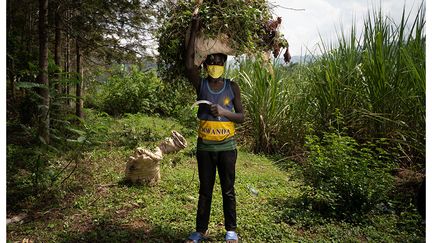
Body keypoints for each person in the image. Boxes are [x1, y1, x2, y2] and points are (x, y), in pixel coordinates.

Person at [184, 14, 245, 243]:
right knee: (205, 190)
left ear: (224, 64)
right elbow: (189, 64)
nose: (216, 66)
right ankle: (200, 230)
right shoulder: (200, 84)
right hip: (205, 148)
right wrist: (193, 30)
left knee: (228, 190)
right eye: (212, 62)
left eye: (220, 62)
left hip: (227, 148)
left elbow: (241, 117)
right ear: (207, 64)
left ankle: (231, 230)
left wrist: (224, 112)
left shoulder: (232, 87)